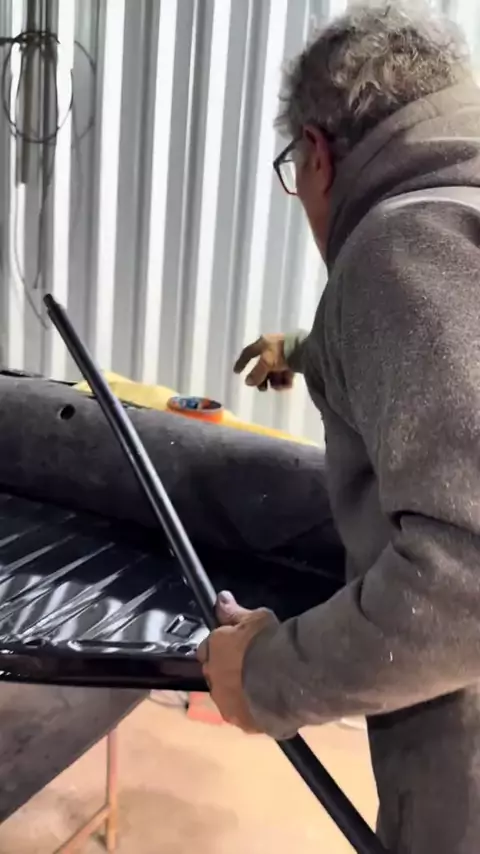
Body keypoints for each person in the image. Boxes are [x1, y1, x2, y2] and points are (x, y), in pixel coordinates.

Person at [197, 3, 480, 852]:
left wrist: (267, 676)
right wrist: (310, 350)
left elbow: (466, 578)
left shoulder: (404, 244)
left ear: (317, 155)